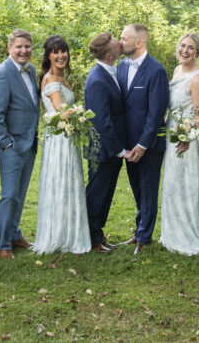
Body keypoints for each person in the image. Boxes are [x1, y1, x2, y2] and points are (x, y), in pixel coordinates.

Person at [0, 29, 42, 259]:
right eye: (18, 46)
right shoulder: (1, 74)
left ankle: (16, 233)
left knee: (20, 192)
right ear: (10, 48)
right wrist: (7, 144)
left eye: (27, 46)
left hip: (29, 142)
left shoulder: (32, 70)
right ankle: (4, 244)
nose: (23, 50)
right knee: (9, 194)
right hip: (11, 145)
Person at [32, 36, 90, 254]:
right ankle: (60, 235)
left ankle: (69, 231)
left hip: (67, 135)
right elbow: (57, 105)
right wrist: (78, 117)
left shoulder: (62, 78)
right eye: (55, 52)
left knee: (69, 180)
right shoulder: (51, 80)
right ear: (48, 56)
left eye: (63, 51)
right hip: (60, 137)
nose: (60, 56)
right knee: (62, 181)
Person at [117, 23, 170, 255]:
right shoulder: (120, 66)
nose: (120, 42)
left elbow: (157, 112)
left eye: (124, 38)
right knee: (137, 188)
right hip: (127, 144)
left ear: (138, 43)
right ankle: (140, 230)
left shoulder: (156, 70)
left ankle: (145, 237)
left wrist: (143, 144)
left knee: (148, 190)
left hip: (148, 144)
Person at [159, 32, 199, 255]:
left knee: (186, 184)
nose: (184, 51)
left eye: (190, 47)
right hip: (173, 134)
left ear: (197, 52)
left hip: (187, 141)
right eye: (182, 46)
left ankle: (188, 233)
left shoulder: (198, 78)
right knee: (172, 183)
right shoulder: (177, 71)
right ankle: (171, 233)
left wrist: (187, 138)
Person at [84, 31, 127, 253]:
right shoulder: (98, 80)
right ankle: (90, 238)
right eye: (116, 44)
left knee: (106, 193)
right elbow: (101, 121)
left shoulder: (109, 71)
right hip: (102, 150)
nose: (121, 44)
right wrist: (119, 150)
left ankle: (98, 235)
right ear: (109, 55)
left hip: (110, 149)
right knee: (97, 194)